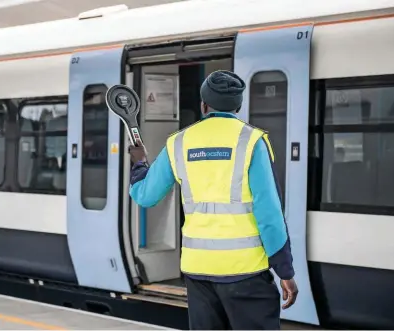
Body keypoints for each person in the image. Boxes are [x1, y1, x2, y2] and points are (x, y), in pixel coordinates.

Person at [128, 70, 298, 330]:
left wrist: (139, 164)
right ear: (238, 106)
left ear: (203, 105)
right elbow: (270, 214)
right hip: (246, 272)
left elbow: (145, 196)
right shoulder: (252, 142)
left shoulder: (178, 143)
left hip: (199, 273)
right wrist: (285, 271)